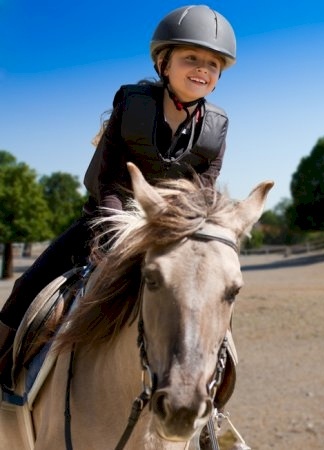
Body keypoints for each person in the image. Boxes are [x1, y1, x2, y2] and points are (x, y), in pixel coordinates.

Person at [0, 4, 236, 386]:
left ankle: (213, 409)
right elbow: (107, 180)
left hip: (168, 235)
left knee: (214, 305)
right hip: (105, 223)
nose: (202, 69)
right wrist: (120, 234)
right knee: (26, 287)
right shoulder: (132, 105)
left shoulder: (217, 128)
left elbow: (202, 194)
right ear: (164, 62)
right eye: (190, 58)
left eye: (212, 64)